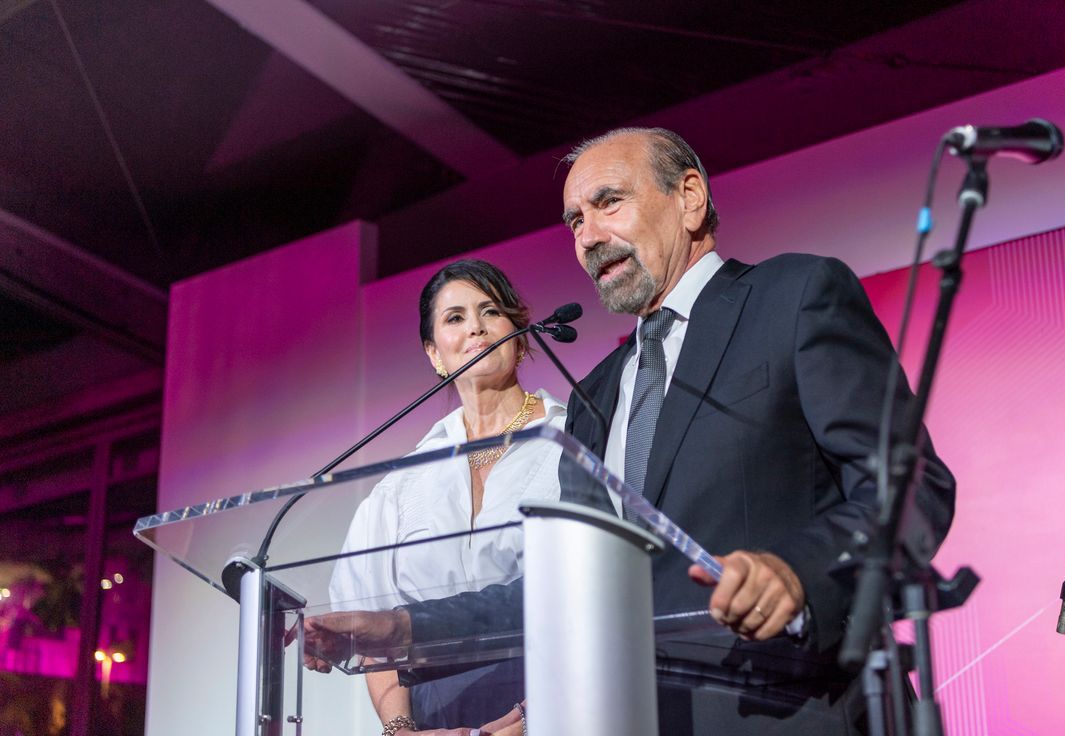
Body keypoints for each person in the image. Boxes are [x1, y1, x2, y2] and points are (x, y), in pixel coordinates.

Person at [557, 127, 956, 735]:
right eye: (574, 221)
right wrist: (403, 627)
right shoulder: (592, 395)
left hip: (800, 709)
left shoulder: (794, 297)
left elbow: (911, 490)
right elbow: (574, 577)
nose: (588, 236)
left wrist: (797, 571)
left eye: (609, 202)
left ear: (689, 197)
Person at [326, 259, 563, 736]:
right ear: (435, 354)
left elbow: (596, 595)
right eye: (454, 318)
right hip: (434, 718)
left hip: (555, 701)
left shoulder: (574, 439)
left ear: (520, 333)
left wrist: (534, 717)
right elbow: (376, 632)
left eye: (490, 311)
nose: (475, 326)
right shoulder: (403, 481)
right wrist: (399, 729)